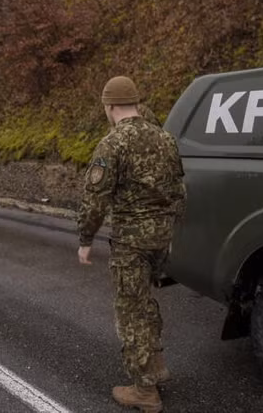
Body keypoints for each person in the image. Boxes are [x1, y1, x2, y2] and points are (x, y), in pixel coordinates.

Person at [76, 75, 187, 413]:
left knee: (131, 311)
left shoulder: (112, 144)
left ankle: (145, 390)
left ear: (109, 107)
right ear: (138, 103)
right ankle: (155, 367)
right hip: (161, 238)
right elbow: (179, 190)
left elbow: (96, 199)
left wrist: (85, 239)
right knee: (145, 303)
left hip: (130, 243)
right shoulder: (165, 138)